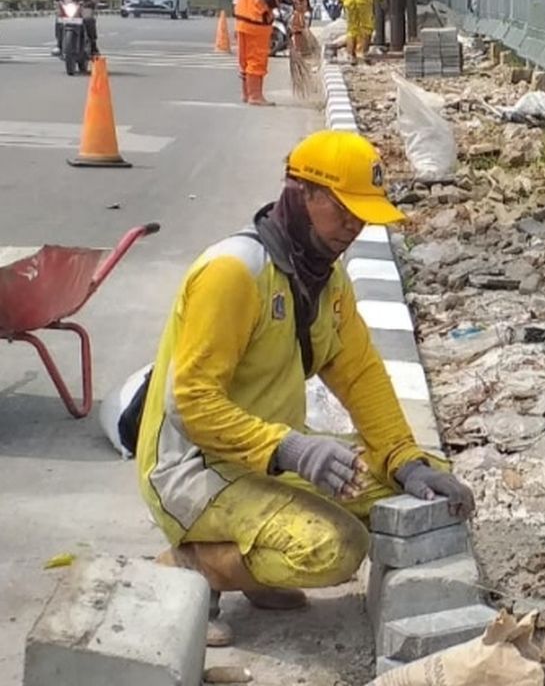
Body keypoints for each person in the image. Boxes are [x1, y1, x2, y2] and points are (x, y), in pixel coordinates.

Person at [136, 129, 476, 647]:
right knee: (336, 547)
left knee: (431, 478)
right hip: (193, 470)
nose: (354, 226)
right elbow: (194, 404)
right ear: (303, 194)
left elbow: (359, 374)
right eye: (343, 210)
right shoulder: (232, 273)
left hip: (266, 458)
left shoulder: (324, 280)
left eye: (362, 214)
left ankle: (258, 566)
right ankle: (195, 563)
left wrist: (404, 459)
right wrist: (290, 449)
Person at [233, 0, 291, 105]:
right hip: (258, 21)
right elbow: (272, 0)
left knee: (244, 60)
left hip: (241, 17)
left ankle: (246, 94)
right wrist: (285, 2)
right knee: (257, 61)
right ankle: (255, 96)